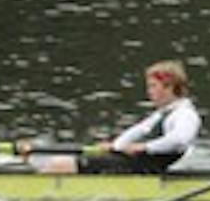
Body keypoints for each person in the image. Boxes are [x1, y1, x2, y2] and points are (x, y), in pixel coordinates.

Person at [33, 60, 199, 175]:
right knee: (63, 160)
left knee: (60, 164)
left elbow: (179, 140)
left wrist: (143, 147)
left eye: (153, 86)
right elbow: (137, 131)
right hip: (134, 163)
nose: (149, 91)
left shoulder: (185, 114)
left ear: (169, 87)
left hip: (143, 168)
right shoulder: (163, 113)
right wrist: (116, 146)